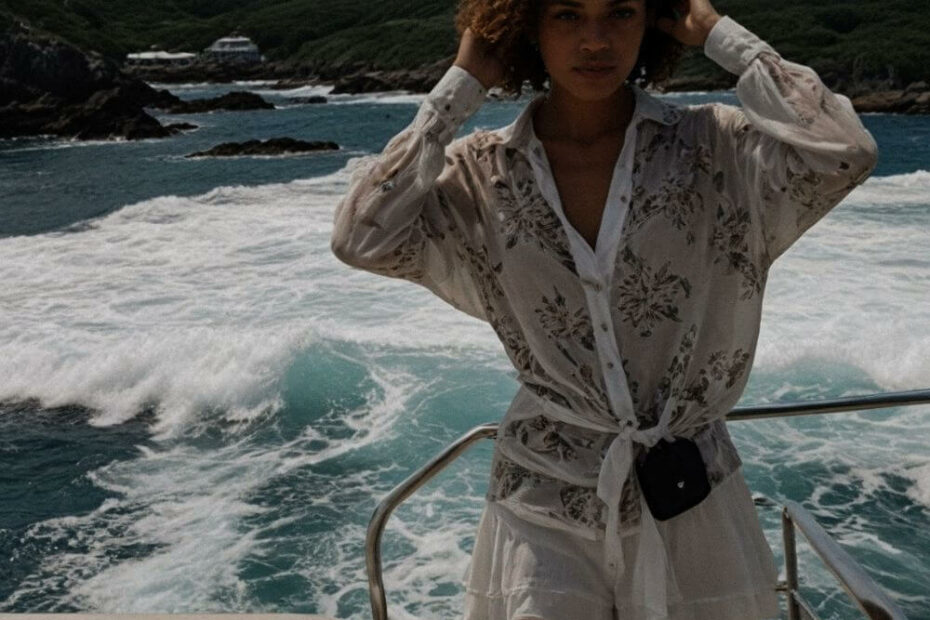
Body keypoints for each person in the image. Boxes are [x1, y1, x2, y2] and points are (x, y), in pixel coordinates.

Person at [331, 0, 879, 617]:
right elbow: (360, 236)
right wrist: (463, 83)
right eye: (566, 15)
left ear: (653, 22)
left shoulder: (715, 147)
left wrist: (722, 37)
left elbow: (844, 151)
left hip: (689, 494)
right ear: (528, 27)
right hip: (544, 500)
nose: (595, 40)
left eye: (619, 12)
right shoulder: (480, 175)